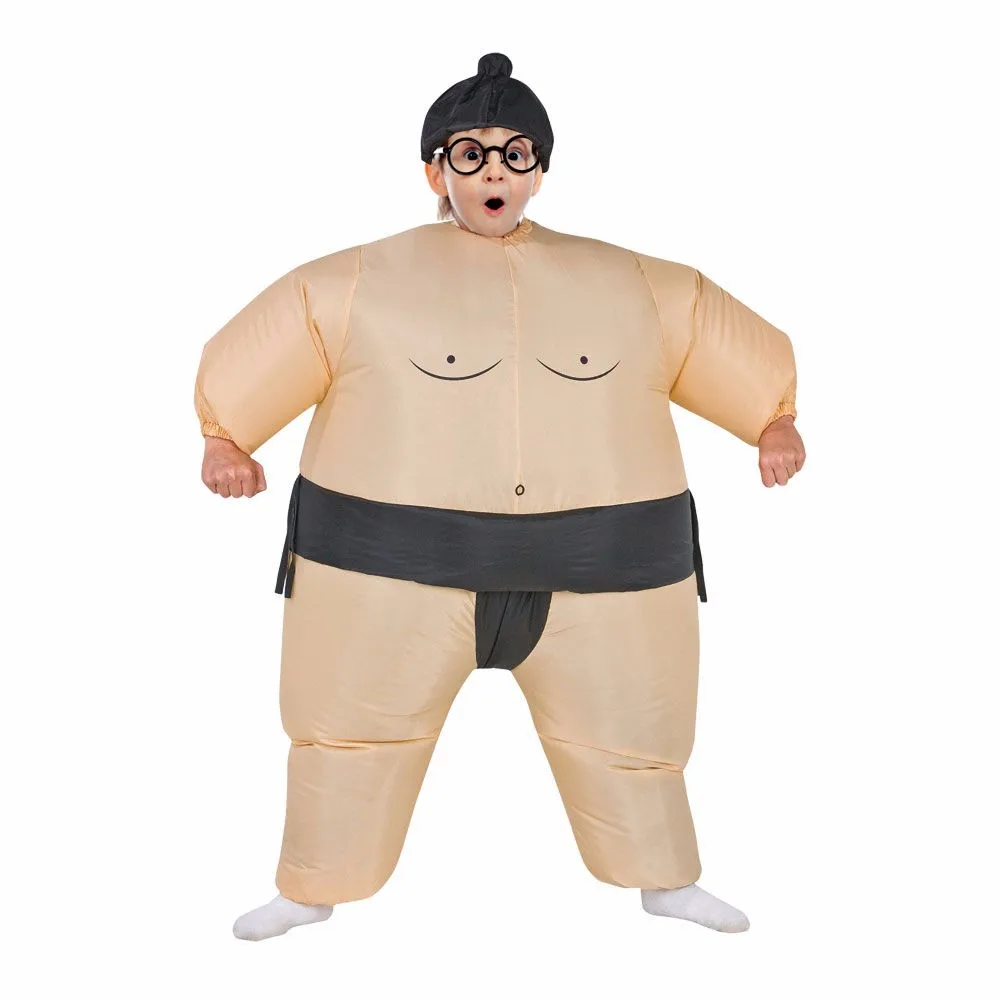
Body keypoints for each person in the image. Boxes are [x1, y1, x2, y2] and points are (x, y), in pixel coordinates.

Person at [195, 52, 806, 941]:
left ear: (540, 171)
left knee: (636, 733)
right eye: (471, 154)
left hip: (606, 569)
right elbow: (267, 348)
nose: (494, 174)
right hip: (389, 566)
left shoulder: (636, 283)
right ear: (434, 171)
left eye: (515, 155)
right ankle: (312, 886)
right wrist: (226, 439)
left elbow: (720, 343)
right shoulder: (354, 281)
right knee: (346, 731)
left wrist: (773, 422)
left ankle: (666, 879)